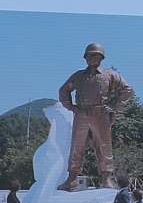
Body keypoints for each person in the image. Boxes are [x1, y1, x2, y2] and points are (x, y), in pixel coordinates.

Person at [56, 44, 133, 191]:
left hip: (101, 115)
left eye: (94, 55)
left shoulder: (110, 74)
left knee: (104, 148)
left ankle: (107, 179)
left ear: (101, 57)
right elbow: (64, 90)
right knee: (77, 148)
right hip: (82, 115)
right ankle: (71, 178)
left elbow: (127, 89)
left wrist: (113, 108)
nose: (91, 58)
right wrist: (71, 106)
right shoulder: (78, 76)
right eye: (88, 55)